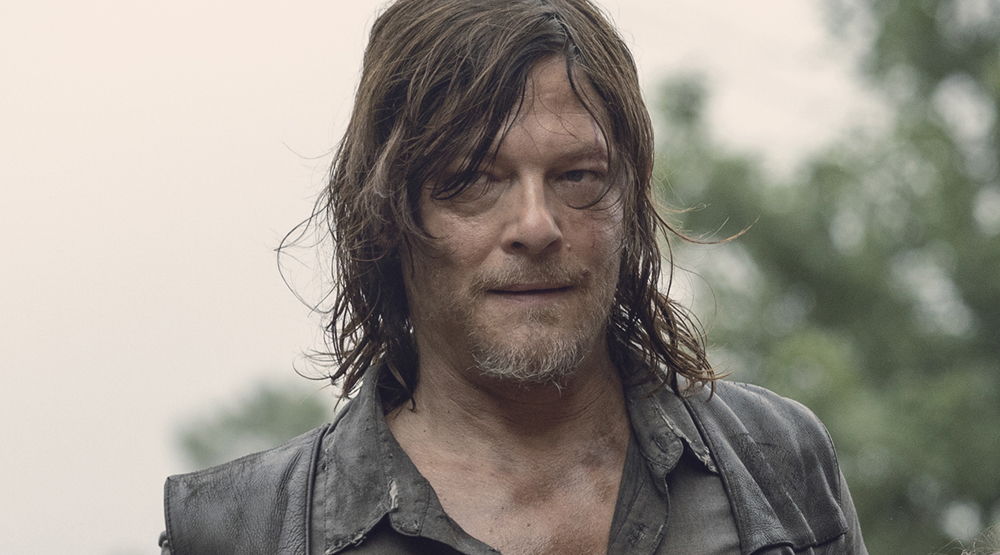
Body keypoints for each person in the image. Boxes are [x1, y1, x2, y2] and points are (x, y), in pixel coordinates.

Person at [160, 0, 868, 553]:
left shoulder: (779, 465)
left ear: (630, 201)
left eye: (577, 175)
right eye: (474, 179)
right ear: (386, 214)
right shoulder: (245, 532)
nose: (536, 225)